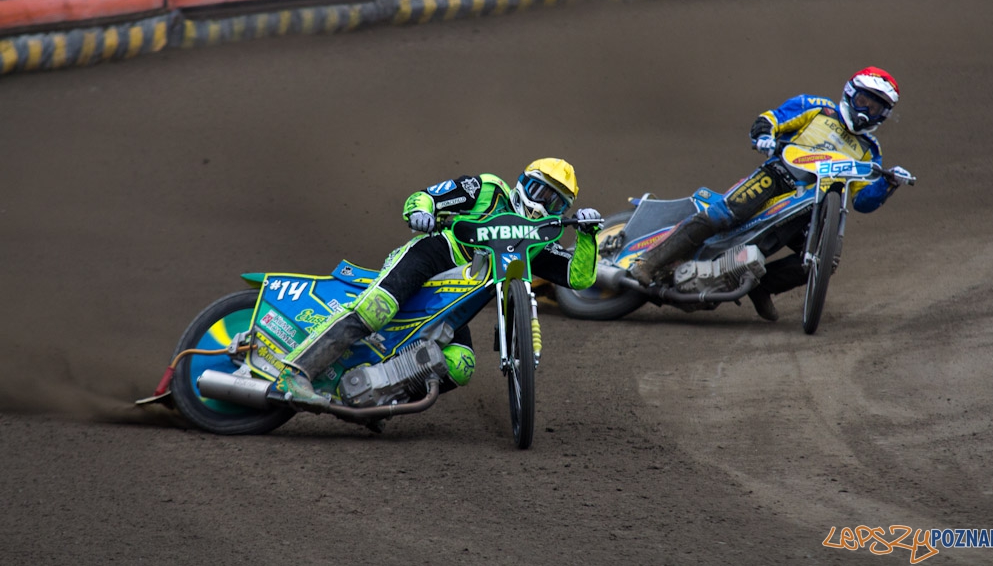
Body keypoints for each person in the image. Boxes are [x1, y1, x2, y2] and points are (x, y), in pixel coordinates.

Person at [273, 157, 603, 407]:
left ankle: (380, 398)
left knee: (461, 364)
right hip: (435, 256)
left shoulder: (537, 243)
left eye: (556, 202)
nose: (544, 204)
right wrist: (420, 213)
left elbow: (579, 277)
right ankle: (295, 372)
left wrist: (588, 236)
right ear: (521, 183)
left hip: (457, 301)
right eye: (539, 191)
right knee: (378, 308)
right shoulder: (487, 188)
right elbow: (426, 196)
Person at [628, 67, 914, 321]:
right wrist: (764, 135)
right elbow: (772, 118)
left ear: (884, 115)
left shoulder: (871, 150)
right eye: (864, 101)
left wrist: (889, 184)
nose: (867, 111)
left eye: (875, 107)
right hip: (778, 177)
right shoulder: (817, 108)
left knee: (820, 262)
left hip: (810, 211)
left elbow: (862, 201)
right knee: (724, 214)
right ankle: (649, 262)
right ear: (850, 94)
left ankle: (761, 289)